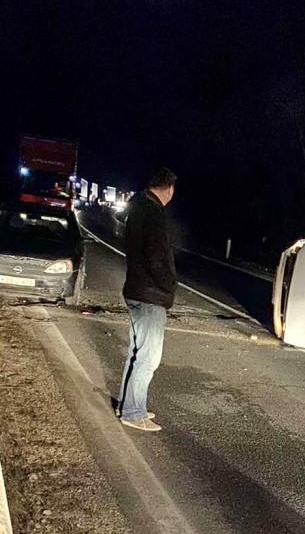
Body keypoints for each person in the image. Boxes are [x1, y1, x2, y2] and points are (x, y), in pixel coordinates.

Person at [116, 168, 177, 431]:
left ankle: (127, 405)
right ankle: (132, 412)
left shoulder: (138, 209)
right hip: (151, 294)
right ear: (169, 189)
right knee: (148, 358)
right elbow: (156, 257)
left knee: (136, 354)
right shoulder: (153, 213)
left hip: (137, 290)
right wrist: (168, 285)